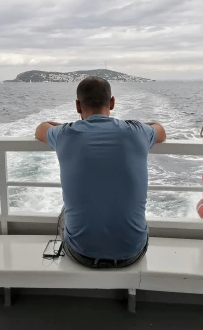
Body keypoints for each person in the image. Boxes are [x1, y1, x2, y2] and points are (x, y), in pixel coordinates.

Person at [35, 76, 166, 268]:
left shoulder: (65, 134)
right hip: (132, 252)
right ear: (112, 102)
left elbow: (41, 128)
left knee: (65, 210)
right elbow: (160, 130)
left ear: (78, 106)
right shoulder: (137, 132)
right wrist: (143, 126)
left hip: (82, 253)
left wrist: (62, 126)